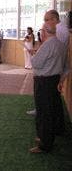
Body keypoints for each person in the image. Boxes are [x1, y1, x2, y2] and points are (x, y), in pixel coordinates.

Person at [29, 25, 66, 153]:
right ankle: (48, 137)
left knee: (44, 112)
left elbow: (35, 63)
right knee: (50, 110)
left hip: (43, 82)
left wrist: (35, 53)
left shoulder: (47, 45)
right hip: (54, 80)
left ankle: (45, 144)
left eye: (41, 31)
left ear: (44, 32)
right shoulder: (61, 44)